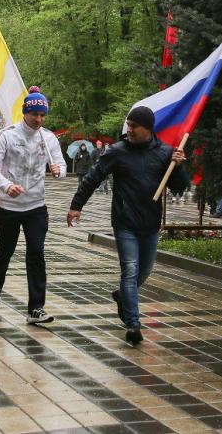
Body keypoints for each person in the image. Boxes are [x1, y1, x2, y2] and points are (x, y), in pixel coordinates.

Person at [66, 106, 187, 345]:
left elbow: (180, 187)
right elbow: (93, 177)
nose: (128, 130)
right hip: (125, 222)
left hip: (151, 223)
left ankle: (122, 296)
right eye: (128, 125)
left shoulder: (165, 153)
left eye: (134, 126)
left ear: (148, 128)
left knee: (144, 272)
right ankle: (133, 324)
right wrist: (76, 205)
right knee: (130, 271)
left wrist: (179, 166)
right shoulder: (117, 152)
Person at [0, 86, 65, 324]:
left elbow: (58, 165)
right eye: (34, 115)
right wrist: (6, 185)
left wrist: (57, 172)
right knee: (5, 252)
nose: (38, 119)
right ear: (24, 113)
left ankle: (36, 308)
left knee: (37, 253)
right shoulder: (7, 136)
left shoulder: (48, 138)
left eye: (42, 115)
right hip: (8, 206)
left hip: (36, 207)